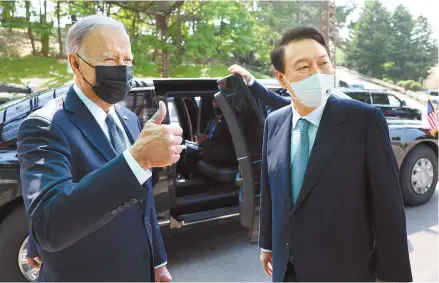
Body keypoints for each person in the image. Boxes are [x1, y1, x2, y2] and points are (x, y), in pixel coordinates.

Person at [232, 26, 412, 282]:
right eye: (303, 67)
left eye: (323, 63)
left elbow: (389, 207)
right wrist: (268, 245)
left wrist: (394, 277)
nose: (317, 73)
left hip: (345, 271)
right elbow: (272, 191)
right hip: (288, 270)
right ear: (282, 79)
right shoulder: (275, 122)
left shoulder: (364, 121)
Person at [17, 15, 182, 282]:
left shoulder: (128, 118)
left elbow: (143, 201)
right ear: (75, 62)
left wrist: (157, 261)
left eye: (127, 60)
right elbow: (49, 222)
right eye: (109, 59)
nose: (122, 68)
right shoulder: (45, 126)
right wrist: (138, 159)